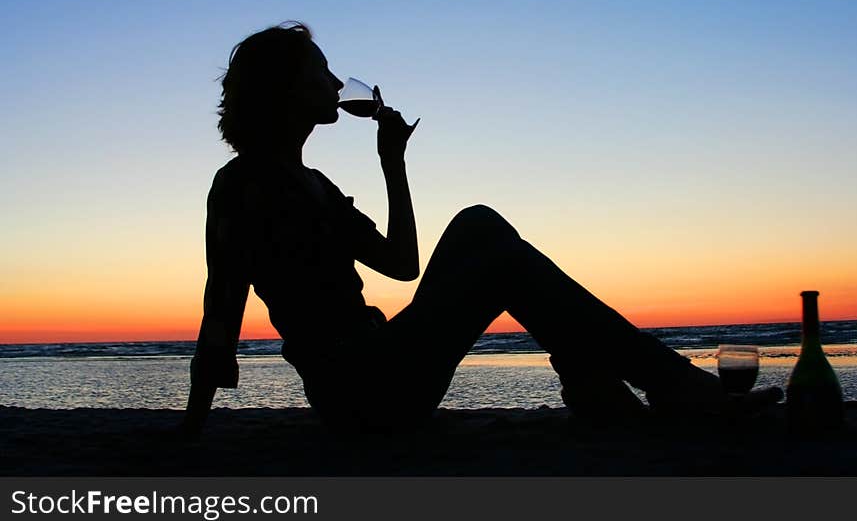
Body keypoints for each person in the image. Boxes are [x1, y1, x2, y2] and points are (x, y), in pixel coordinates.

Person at [183, 22, 780, 435]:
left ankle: (600, 385)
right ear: (283, 91)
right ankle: (663, 386)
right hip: (362, 393)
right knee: (502, 259)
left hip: (385, 358)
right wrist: (192, 429)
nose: (338, 86)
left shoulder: (317, 186)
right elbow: (222, 305)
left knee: (478, 224)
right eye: (321, 73)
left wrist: (393, 163)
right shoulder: (243, 184)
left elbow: (402, 264)